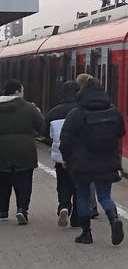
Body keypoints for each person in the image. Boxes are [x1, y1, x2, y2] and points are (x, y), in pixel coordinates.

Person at [59, 79, 127, 245]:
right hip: (107, 161)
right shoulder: (113, 112)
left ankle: (86, 234)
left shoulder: (76, 113)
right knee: (104, 196)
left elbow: (65, 139)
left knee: (83, 196)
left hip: (82, 164)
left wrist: (66, 159)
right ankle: (114, 220)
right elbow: (121, 132)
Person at [0, 77, 46, 224]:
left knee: (3, 182)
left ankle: (2, 211)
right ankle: (22, 209)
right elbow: (42, 128)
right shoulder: (29, 108)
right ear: (18, 91)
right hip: (25, 151)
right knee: (24, 183)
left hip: (2, 151)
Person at [45, 79, 81, 226]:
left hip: (61, 156)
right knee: (79, 187)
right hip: (80, 156)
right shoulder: (82, 110)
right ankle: (77, 218)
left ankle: (64, 206)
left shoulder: (54, 111)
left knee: (63, 183)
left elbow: (45, 132)